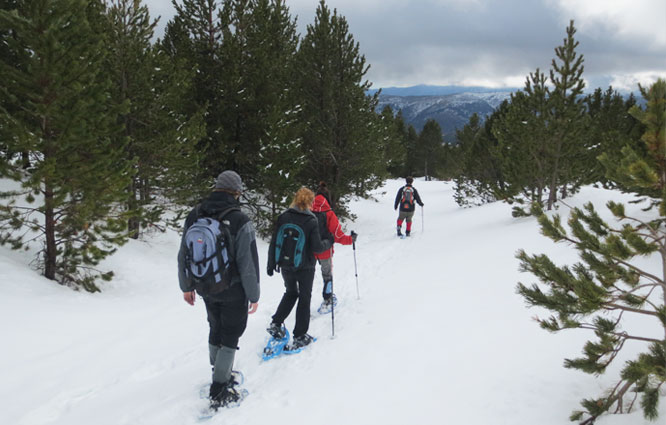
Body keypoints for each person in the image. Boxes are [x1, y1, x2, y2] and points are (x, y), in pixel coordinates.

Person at [178, 170, 260, 410]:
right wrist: (253, 295)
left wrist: (186, 285)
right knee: (231, 334)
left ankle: (219, 372)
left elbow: (184, 253)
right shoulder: (239, 220)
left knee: (215, 327)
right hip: (232, 288)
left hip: (204, 285)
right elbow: (247, 263)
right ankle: (220, 389)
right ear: (237, 192)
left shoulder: (195, 214)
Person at [266, 187, 331, 350]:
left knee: (290, 292)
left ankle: (276, 323)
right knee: (304, 297)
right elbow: (317, 247)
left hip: (286, 265)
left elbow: (274, 241)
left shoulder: (284, 216)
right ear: (310, 202)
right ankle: (300, 335)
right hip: (305, 267)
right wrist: (329, 241)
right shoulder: (311, 220)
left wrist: (271, 262)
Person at [311, 182, 357, 313]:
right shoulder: (329, 214)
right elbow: (338, 235)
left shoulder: (308, 210)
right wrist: (351, 240)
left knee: (308, 275)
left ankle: (304, 299)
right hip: (325, 249)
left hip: (309, 250)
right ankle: (328, 298)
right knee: (327, 275)